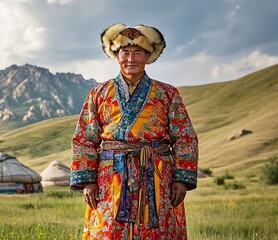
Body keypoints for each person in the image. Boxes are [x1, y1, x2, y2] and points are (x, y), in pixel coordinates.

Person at [70, 23, 198, 239]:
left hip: (157, 175)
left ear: (147, 56)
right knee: (109, 231)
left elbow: (185, 137)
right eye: (125, 52)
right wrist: (88, 181)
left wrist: (181, 179)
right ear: (116, 56)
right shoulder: (98, 93)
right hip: (110, 178)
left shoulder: (167, 93)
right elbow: (84, 139)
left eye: (137, 52)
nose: (131, 58)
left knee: (156, 231)